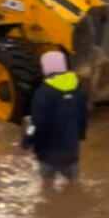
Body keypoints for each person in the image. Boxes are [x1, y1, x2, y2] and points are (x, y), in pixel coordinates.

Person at [22, 50, 90, 187]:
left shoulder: (43, 93)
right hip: (71, 148)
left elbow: (36, 123)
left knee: (46, 186)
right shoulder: (79, 89)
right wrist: (81, 134)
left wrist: (27, 141)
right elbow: (84, 115)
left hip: (48, 151)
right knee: (74, 184)